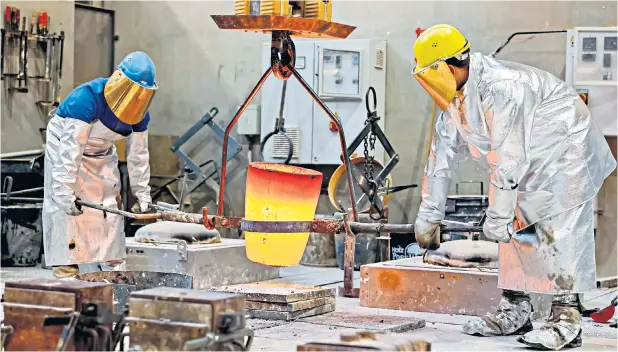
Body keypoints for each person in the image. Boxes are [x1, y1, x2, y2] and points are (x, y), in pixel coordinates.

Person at [412, 24, 616, 350]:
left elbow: (509, 160)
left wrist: (496, 218)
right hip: (529, 158)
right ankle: (516, 309)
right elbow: (440, 158)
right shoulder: (458, 99)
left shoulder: (501, 87)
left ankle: (565, 319)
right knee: (515, 226)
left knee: (557, 230)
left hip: (566, 148)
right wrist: (429, 215)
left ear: (445, 67)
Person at [43, 51, 158, 279]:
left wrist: (143, 195)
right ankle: (66, 271)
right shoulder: (86, 99)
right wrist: (63, 192)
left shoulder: (139, 113)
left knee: (110, 208)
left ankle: (112, 270)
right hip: (67, 148)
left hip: (103, 153)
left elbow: (139, 155)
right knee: (67, 213)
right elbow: (70, 152)